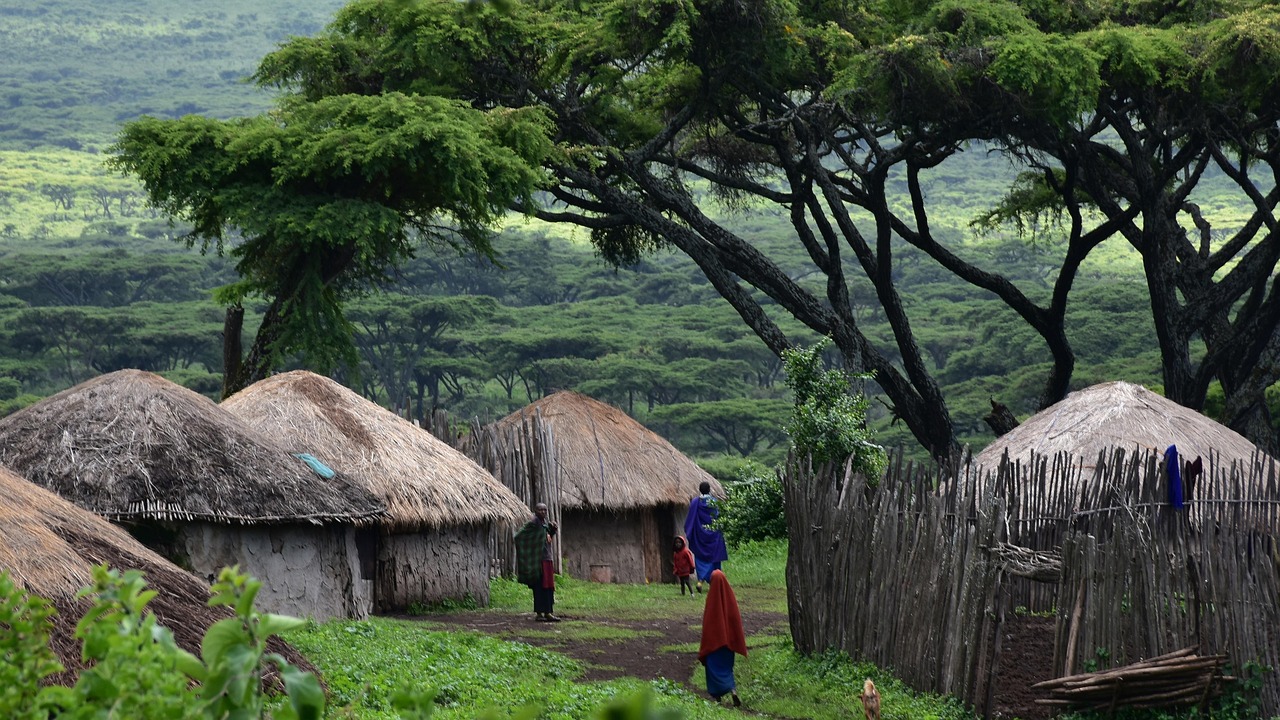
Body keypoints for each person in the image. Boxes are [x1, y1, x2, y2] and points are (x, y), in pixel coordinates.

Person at [699, 569, 746, 706]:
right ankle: (733, 691)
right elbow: (735, 622)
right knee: (726, 669)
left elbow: (708, 623)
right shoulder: (730, 598)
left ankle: (718, 698)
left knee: (713, 670)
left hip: (714, 644)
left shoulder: (712, 599)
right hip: (728, 645)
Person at [514, 502, 560, 622]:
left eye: (545, 510)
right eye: (540, 510)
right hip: (538, 561)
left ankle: (548, 612)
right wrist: (532, 550)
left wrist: (552, 530)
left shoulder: (544, 524)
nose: (543, 512)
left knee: (549, 587)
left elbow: (546, 538)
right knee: (539, 587)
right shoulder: (533, 524)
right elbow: (518, 537)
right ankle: (539, 613)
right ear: (535, 511)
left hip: (548, 559)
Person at [684, 480, 728, 593]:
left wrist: (690, 533)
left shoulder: (695, 502)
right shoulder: (714, 502)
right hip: (713, 536)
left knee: (701, 558)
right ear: (709, 489)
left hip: (700, 537)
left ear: (700, 490)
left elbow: (690, 521)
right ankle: (714, 584)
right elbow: (718, 518)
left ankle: (700, 581)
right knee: (714, 558)